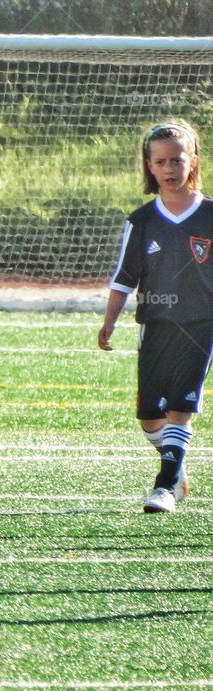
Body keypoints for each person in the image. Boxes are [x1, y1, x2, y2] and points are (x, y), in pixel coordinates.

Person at [98, 119, 212, 513]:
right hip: (155, 323)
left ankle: (163, 487)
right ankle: (176, 467)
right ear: (149, 166)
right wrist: (109, 320)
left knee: (181, 403)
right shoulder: (142, 220)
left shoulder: (210, 215)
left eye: (177, 159)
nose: (169, 168)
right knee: (149, 415)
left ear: (193, 161)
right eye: (160, 161)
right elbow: (123, 278)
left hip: (201, 324)